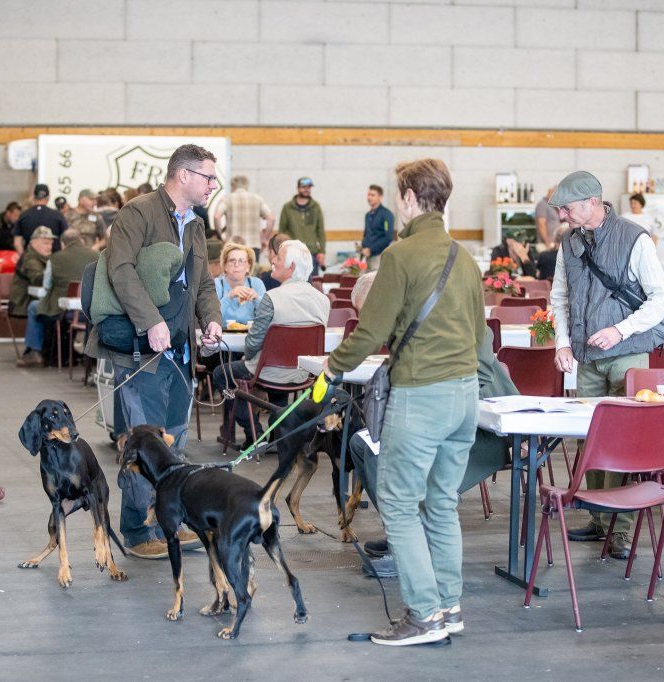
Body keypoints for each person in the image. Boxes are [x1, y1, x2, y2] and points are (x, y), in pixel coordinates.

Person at [322, 158, 486, 647]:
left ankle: (423, 616)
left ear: (411, 199)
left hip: (421, 396)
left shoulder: (398, 257)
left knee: (396, 502)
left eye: (399, 196)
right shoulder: (466, 258)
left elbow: (369, 331)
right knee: (440, 503)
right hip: (465, 396)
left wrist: (332, 367)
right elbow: (480, 338)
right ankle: (449, 606)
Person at [87, 143, 224, 560]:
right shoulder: (138, 212)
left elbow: (202, 285)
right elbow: (120, 270)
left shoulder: (197, 227)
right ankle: (134, 529)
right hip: (139, 351)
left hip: (180, 352)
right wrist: (151, 321)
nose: (213, 185)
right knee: (144, 443)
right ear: (183, 175)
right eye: (208, 177)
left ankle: (169, 519)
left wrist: (211, 319)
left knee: (174, 441)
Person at [346, 271, 517, 579]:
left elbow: (477, 380)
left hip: (480, 428)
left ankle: (409, 552)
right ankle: (406, 535)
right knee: (362, 443)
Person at [549, 170, 664, 561]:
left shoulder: (635, 238)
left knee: (622, 441)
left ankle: (620, 528)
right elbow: (559, 297)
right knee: (590, 439)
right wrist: (563, 342)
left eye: (567, 208)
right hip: (587, 358)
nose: (563, 215)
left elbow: (662, 301)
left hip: (627, 354)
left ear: (592, 202)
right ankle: (598, 517)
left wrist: (621, 331)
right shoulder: (568, 244)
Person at [212, 239, 329, 447]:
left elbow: (252, 344)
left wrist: (248, 354)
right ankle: (278, 434)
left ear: (291, 267)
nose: (273, 260)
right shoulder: (323, 300)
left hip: (268, 370)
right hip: (304, 373)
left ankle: (254, 431)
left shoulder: (272, 298)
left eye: (279, 258)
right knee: (279, 380)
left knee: (221, 373)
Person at [17, 228, 101, 368]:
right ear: (81, 240)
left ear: (63, 243)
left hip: (63, 313)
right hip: (91, 313)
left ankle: (35, 352)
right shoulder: (97, 255)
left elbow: (46, 287)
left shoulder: (55, 259)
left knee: (33, 307)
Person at [214, 175, 274, 260]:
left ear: (233, 185)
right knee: (252, 271)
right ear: (246, 185)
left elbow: (217, 217)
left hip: (233, 245)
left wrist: (220, 236)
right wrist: (265, 237)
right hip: (253, 245)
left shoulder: (227, 199)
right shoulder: (257, 199)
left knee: (233, 271)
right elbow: (271, 218)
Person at [278, 177, 326, 275]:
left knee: (313, 284)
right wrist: (281, 252)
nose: (307, 189)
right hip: (292, 253)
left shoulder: (316, 207)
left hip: (311, 253)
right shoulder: (287, 208)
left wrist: (322, 251)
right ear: (298, 188)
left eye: (309, 187)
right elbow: (281, 231)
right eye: (304, 187)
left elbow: (320, 230)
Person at [8, 225, 54, 320]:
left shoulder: (45, 257)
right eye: (46, 243)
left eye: (51, 244)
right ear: (34, 243)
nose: (49, 247)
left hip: (36, 299)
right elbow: (39, 280)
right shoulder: (29, 258)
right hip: (22, 303)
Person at [214, 242, 266, 325]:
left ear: (248, 266)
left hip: (250, 335)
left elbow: (267, 316)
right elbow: (212, 317)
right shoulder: (217, 284)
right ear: (225, 266)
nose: (236, 265)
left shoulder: (256, 283)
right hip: (222, 335)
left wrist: (256, 299)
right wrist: (229, 296)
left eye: (241, 261)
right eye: (232, 261)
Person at [14, 184, 68, 254]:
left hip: (31, 259)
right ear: (48, 198)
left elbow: (17, 243)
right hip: (53, 259)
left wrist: (23, 257)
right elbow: (66, 240)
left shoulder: (24, 215)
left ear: (34, 197)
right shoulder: (57, 215)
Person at [361, 184, 394, 270]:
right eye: (368, 194)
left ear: (380, 197)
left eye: (373, 195)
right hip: (367, 257)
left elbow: (388, 237)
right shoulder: (368, 215)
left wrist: (371, 249)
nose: (369, 197)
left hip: (378, 257)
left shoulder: (386, 215)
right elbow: (366, 234)